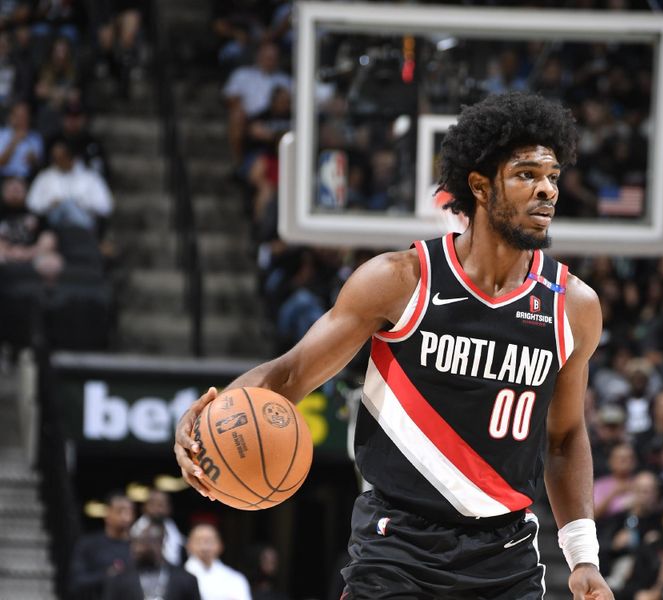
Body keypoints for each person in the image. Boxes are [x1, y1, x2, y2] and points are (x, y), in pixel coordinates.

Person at [175, 91, 614, 599]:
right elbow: (290, 375)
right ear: (478, 185)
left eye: (552, 177)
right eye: (525, 175)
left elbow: (562, 438)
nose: (546, 191)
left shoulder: (572, 306)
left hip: (506, 554)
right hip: (397, 544)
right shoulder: (401, 281)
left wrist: (583, 557)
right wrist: (207, 420)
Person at [103, 519, 201, 600]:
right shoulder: (119, 579)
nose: (138, 548)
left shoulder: (187, 579)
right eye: (135, 542)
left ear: (160, 542)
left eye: (145, 542)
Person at [68, 491, 135, 600]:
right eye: (120, 511)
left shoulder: (138, 547)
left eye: (129, 511)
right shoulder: (89, 545)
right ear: (107, 513)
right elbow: (76, 582)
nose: (125, 516)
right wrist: (106, 576)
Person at [184, 524, 252, 600]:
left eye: (209, 541)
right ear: (188, 546)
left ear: (220, 546)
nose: (204, 547)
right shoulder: (178, 577)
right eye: (198, 541)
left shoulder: (235, 578)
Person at [131, 489, 186, 567]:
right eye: (153, 504)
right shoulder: (134, 532)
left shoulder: (175, 532)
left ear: (169, 508)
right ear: (144, 507)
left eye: (161, 505)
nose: (157, 509)